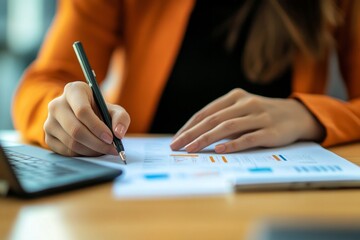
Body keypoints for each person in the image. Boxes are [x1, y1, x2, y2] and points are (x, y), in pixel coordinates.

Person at [12, 0, 360, 157]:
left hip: (283, 201)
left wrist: (310, 116)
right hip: (134, 198)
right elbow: (42, 84)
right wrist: (61, 115)